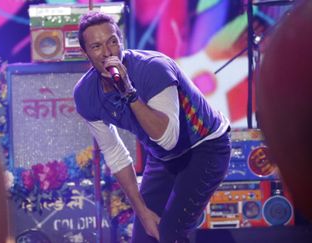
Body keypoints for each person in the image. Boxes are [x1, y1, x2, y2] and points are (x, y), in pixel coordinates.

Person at [73, 11, 231, 243]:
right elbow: (115, 153)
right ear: (85, 52)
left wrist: (129, 92)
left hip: (205, 146)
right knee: (145, 235)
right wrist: (143, 212)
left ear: (122, 42)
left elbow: (168, 138)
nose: (107, 53)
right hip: (162, 157)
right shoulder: (86, 95)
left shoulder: (153, 68)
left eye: (112, 42)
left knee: (169, 233)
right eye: (96, 46)